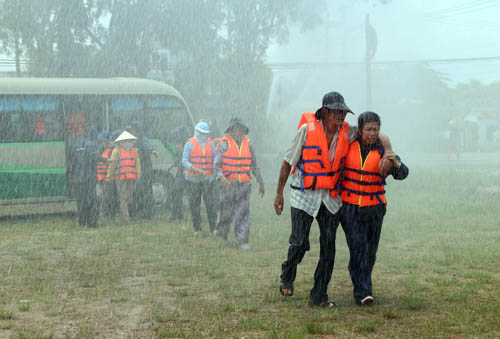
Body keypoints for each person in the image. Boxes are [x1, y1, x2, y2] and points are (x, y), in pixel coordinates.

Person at [274, 92, 394, 308]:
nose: (340, 116)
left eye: (343, 112)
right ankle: (287, 274)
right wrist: (279, 193)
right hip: (304, 195)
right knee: (300, 243)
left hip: (330, 199)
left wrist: (388, 151)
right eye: (336, 112)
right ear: (325, 112)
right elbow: (287, 161)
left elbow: (378, 135)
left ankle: (319, 295)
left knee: (329, 248)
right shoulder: (306, 130)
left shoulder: (348, 133)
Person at [339, 111, 408, 306]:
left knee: (370, 251)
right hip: (350, 207)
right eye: (368, 129)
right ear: (359, 130)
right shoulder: (348, 145)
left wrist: (395, 161)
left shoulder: (383, 151)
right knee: (358, 247)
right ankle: (364, 292)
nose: (372, 133)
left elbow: (402, 174)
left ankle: (359, 278)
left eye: (375, 129)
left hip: (375, 208)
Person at [213, 118, 265, 250]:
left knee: (243, 212)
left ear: (243, 131)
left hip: (244, 185)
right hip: (228, 184)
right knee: (225, 211)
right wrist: (221, 178)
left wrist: (260, 181)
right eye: (234, 129)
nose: (237, 132)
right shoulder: (223, 144)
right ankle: (222, 236)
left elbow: (255, 165)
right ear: (230, 131)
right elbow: (216, 166)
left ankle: (242, 241)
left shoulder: (249, 145)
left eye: (239, 129)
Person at [182, 121, 218, 234]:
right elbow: (184, 161)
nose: (201, 135)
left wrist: (213, 174)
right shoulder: (189, 143)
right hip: (193, 180)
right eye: (200, 132)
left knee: (210, 204)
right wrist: (195, 169)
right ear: (196, 131)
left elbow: (215, 159)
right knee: (194, 204)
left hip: (207, 179)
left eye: (204, 133)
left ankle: (213, 229)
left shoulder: (210, 143)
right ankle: (197, 229)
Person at [106, 130, 141, 223]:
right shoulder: (116, 151)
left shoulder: (133, 150)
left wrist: (138, 174)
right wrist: (108, 176)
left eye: (129, 140)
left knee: (128, 197)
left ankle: (120, 216)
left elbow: (137, 163)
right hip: (120, 177)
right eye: (125, 140)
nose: (127, 142)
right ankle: (126, 218)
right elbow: (112, 165)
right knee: (123, 197)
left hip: (131, 177)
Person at [73, 125, 102, 228]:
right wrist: (106, 160)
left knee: (81, 200)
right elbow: (94, 156)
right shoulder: (92, 144)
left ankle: (82, 221)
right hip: (89, 178)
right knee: (91, 200)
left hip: (79, 178)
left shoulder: (80, 144)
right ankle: (91, 222)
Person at [129, 121, 158, 220]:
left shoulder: (142, 139)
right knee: (142, 191)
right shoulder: (136, 140)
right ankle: (144, 212)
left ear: (136, 130)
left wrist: (151, 150)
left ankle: (146, 213)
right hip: (141, 169)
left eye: (133, 129)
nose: (131, 131)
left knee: (144, 191)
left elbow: (146, 146)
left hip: (145, 170)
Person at [168, 125, 190, 221]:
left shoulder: (187, 144)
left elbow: (186, 158)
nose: (176, 137)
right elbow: (181, 159)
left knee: (176, 192)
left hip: (184, 173)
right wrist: (173, 165)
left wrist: (182, 150)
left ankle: (176, 215)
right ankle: (178, 214)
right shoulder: (184, 143)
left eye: (178, 134)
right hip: (182, 172)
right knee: (177, 193)